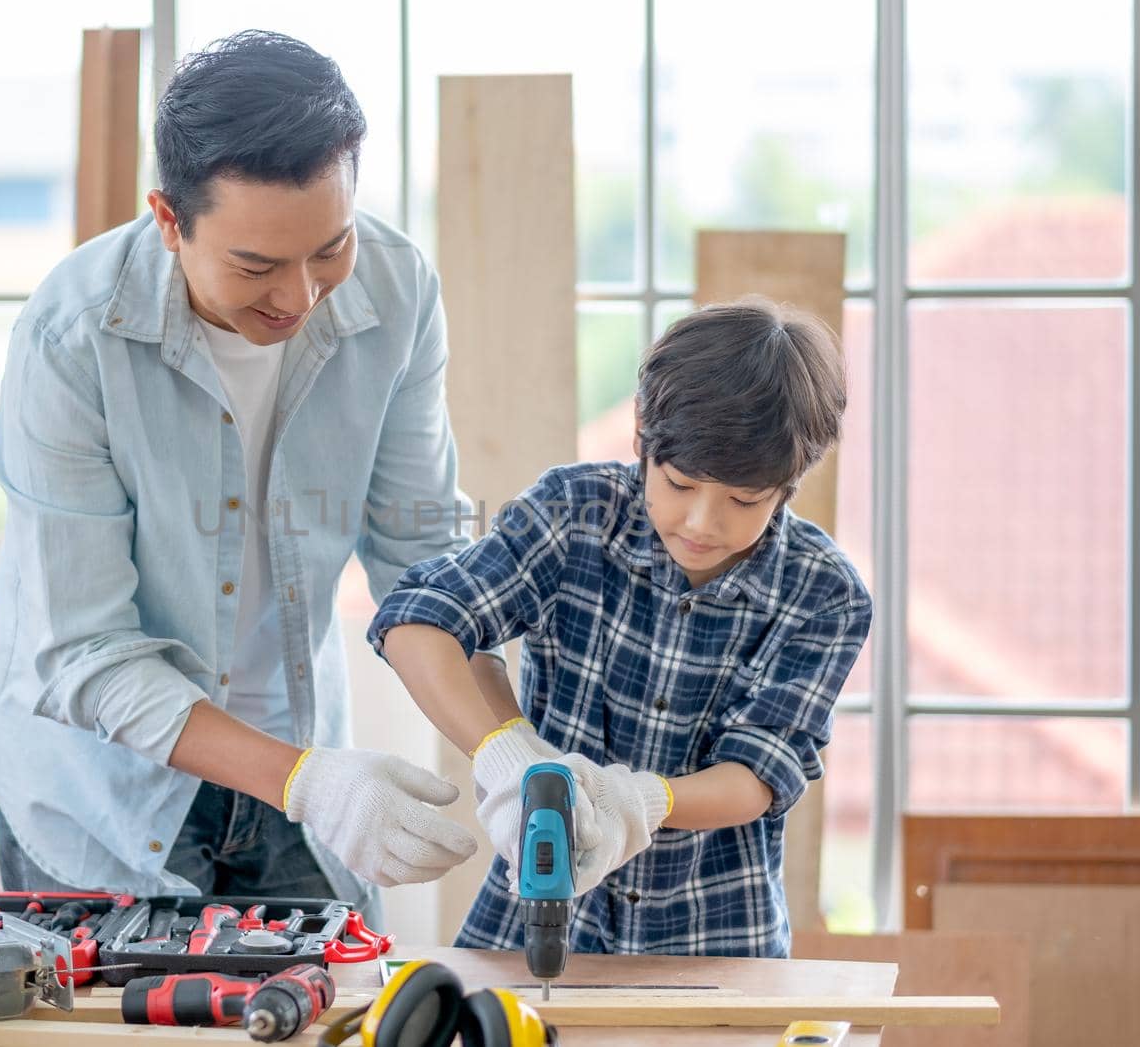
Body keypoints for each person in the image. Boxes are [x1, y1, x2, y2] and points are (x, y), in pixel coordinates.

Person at [0, 31, 506, 918]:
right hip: (104, 796)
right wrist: (312, 785)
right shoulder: (73, 339)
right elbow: (87, 650)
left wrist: (504, 747)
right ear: (168, 218)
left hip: (302, 764)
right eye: (256, 265)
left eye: (328, 248)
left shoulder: (398, 292)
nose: (301, 297)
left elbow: (421, 560)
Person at [367, 298, 872, 956]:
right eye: (680, 483)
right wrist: (509, 754)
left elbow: (759, 774)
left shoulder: (824, 593)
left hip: (716, 938)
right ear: (642, 434)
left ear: (791, 481)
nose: (700, 522)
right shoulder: (575, 513)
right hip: (524, 920)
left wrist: (637, 799)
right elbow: (416, 621)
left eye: (743, 500)